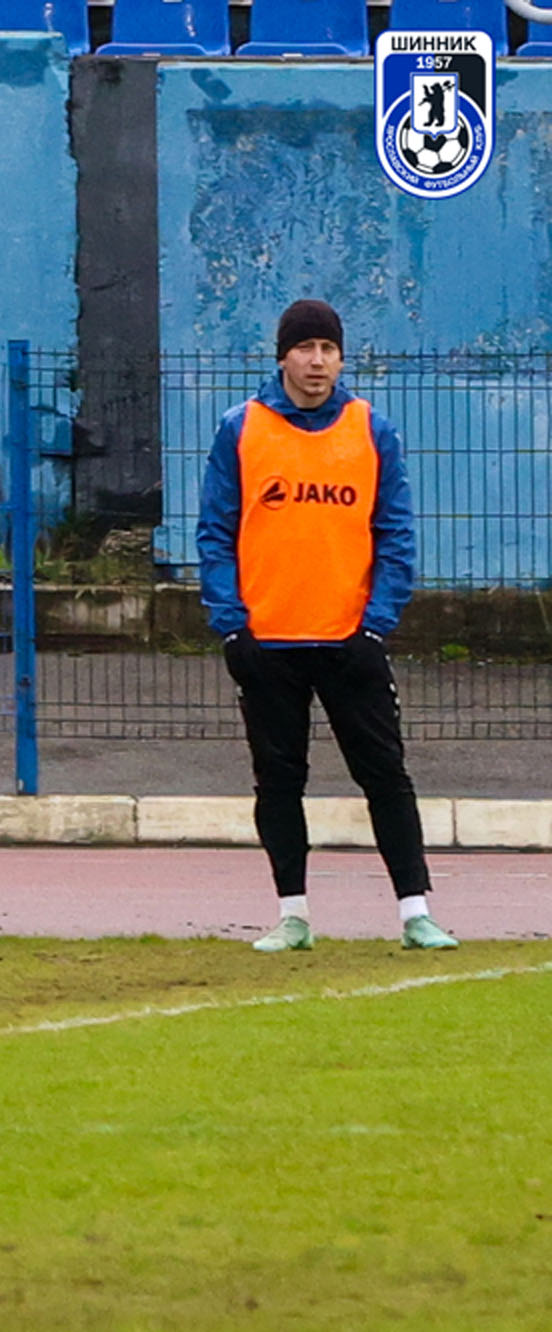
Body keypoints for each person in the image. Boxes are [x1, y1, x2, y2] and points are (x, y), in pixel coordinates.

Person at [197, 298, 456, 952]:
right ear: (282, 356)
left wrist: (376, 625)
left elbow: (394, 534)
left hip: (349, 641)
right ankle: (293, 916)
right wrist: (233, 626)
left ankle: (416, 913)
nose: (317, 362)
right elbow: (215, 533)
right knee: (279, 781)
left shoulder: (372, 430)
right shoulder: (241, 429)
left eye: (328, 350)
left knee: (386, 775)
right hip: (269, 643)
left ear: (341, 358)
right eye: (305, 348)